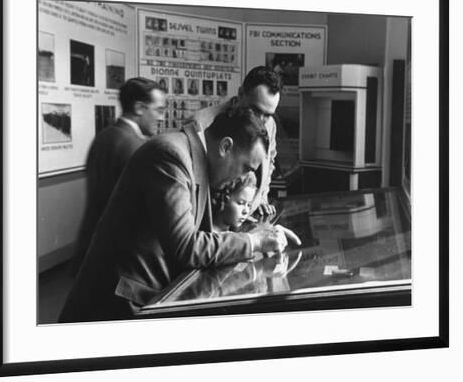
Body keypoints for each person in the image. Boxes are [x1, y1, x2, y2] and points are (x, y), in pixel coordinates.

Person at [58, 106, 300, 323]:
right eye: (246, 167)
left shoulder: (197, 162)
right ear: (225, 146)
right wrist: (255, 241)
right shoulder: (171, 156)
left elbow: (206, 232)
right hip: (111, 308)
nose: (241, 178)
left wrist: (260, 233)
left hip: (141, 299)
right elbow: (186, 246)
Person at [69, 77, 166, 275]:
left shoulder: (104, 136)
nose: (162, 118)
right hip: (121, 260)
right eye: (159, 110)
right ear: (139, 107)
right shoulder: (137, 148)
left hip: (92, 248)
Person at [187, 66, 282, 217]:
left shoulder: (270, 125)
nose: (261, 121)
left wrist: (260, 198)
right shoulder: (200, 123)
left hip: (248, 218)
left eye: (268, 114)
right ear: (241, 93)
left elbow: (269, 161)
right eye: (256, 110)